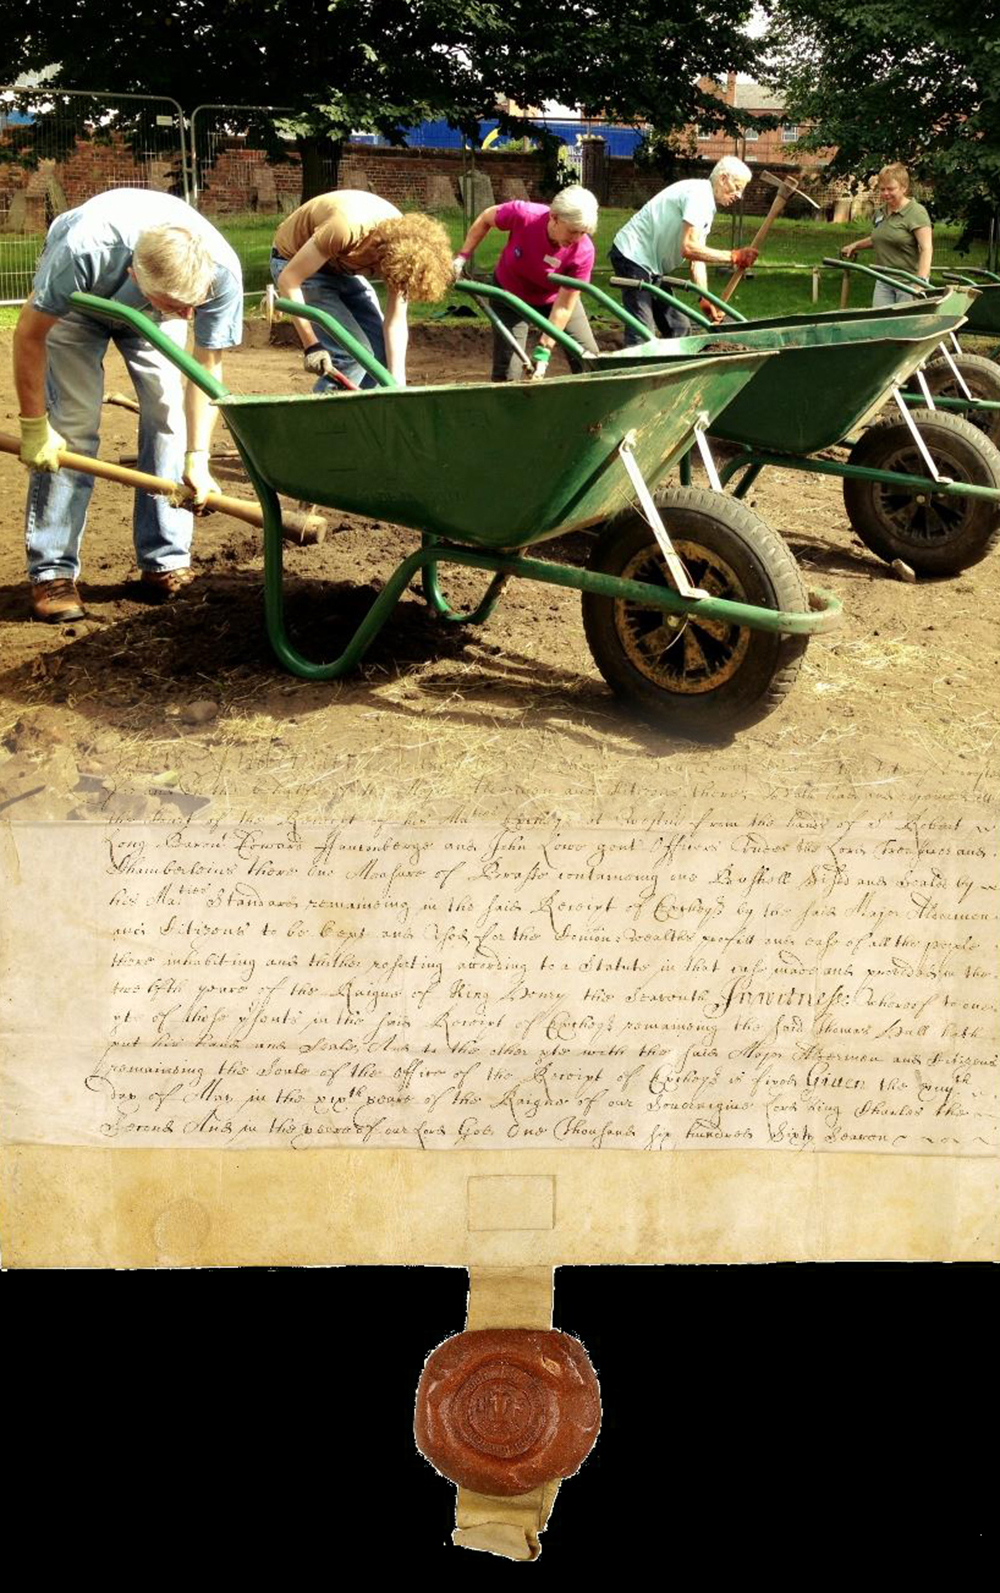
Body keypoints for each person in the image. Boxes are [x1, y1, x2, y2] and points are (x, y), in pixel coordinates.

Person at [14, 189, 244, 624]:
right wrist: (33, 426)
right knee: (74, 426)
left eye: (194, 306)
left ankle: (165, 560)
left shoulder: (219, 275)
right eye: (182, 307)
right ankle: (53, 572)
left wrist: (198, 459)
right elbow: (29, 334)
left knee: (168, 416)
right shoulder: (83, 250)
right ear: (138, 280)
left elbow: (205, 371)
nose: (191, 315)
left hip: (156, 316)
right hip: (79, 307)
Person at [271, 192, 452, 390]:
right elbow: (289, 281)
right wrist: (312, 346)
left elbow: (395, 321)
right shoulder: (345, 228)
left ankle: (363, 414)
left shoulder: (408, 252)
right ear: (382, 256)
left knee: (380, 352)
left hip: (341, 266)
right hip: (294, 262)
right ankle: (324, 418)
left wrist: (396, 381)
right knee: (352, 355)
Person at [454, 186, 600, 381]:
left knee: (589, 360)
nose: (576, 239)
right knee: (508, 373)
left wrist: (544, 351)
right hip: (509, 294)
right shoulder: (524, 215)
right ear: (554, 217)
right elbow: (486, 218)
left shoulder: (583, 251)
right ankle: (508, 408)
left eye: (583, 233)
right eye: (573, 231)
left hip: (554, 300)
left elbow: (564, 307)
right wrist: (462, 258)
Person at [609, 156, 757, 340]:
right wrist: (733, 256)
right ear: (723, 178)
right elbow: (688, 248)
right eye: (737, 188)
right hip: (632, 256)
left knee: (678, 327)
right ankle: (636, 366)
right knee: (642, 333)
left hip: (651, 266)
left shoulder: (706, 202)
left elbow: (697, 258)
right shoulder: (699, 196)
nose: (739, 195)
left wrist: (705, 298)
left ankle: (675, 365)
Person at [840, 164, 933, 306]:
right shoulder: (880, 211)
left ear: (904, 187)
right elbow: (882, 237)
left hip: (908, 282)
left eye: (890, 189)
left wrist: (920, 282)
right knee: (881, 323)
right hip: (884, 280)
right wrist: (855, 245)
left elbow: (926, 248)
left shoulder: (916, 212)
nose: (885, 193)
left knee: (905, 325)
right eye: (882, 189)